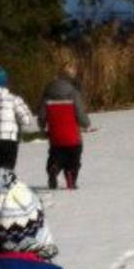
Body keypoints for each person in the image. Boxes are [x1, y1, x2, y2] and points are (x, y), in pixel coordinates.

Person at [38, 61, 91, 189]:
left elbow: (42, 114)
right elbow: (80, 113)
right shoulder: (73, 93)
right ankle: (71, 177)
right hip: (73, 136)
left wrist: (42, 126)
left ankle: (54, 168)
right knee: (74, 158)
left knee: (56, 155)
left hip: (55, 135)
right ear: (71, 76)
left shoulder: (48, 92)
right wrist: (86, 124)